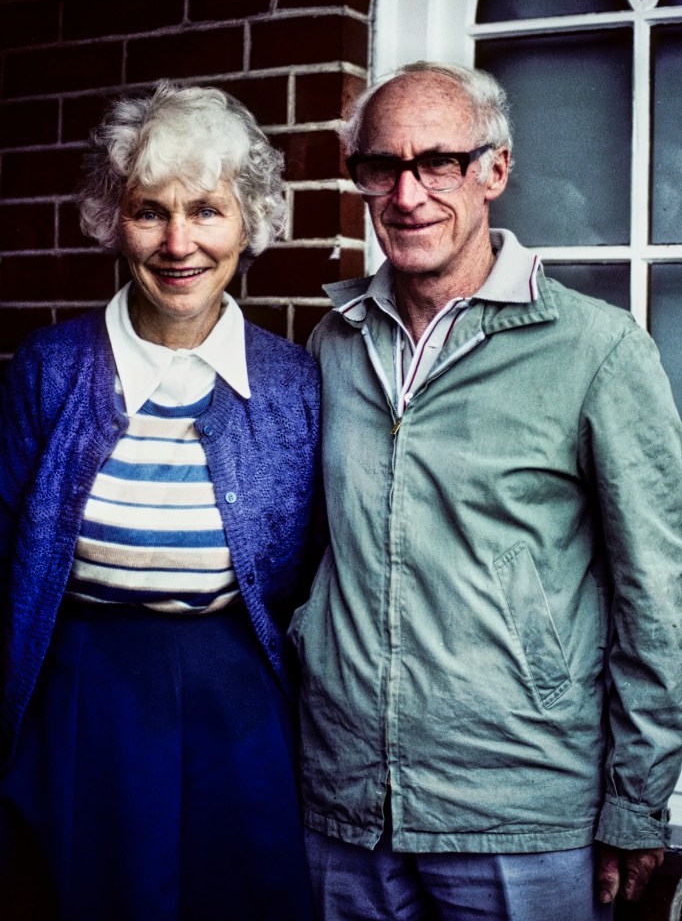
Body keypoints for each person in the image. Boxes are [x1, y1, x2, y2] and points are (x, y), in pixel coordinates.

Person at [289, 61, 682, 921]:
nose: (408, 194)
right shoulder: (334, 343)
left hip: (520, 807)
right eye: (382, 166)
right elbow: (311, 550)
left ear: (494, 170)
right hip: (346, 805)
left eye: (438, 162)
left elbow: (659, 595)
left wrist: (636, 799)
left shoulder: (597, 349)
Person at [0, 82, 319, 921]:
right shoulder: (49, 368)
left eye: (207, 210)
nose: (180, 244)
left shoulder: (295, 383)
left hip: (238, 697)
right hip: (84, 694)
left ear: (249, 222)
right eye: (150, 211)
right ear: (114, 220)